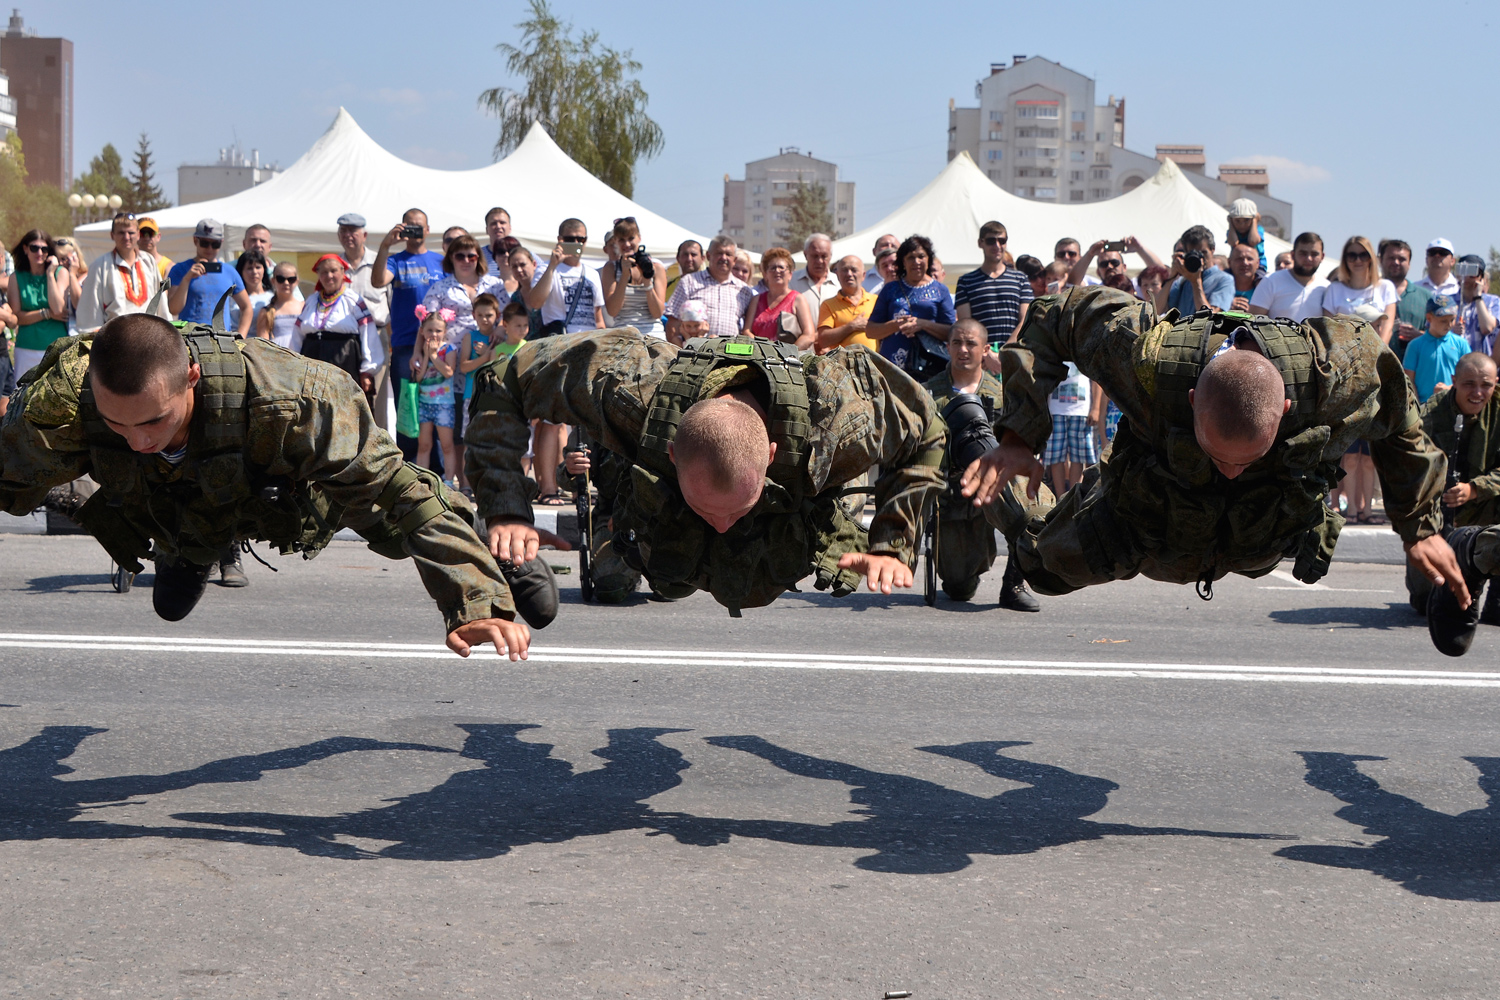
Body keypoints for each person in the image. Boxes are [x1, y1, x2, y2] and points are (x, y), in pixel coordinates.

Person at [957, 286, 1465, 657]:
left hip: (1259, 532)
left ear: (1288, 409)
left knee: (1269, 540)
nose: (1229, 471)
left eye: (1246, 458)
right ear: (1193, 401)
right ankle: (972, 440)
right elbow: (1058, 312)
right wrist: (1018, 435)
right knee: (1041, 567)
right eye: (1218, 454)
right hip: (1145, 521)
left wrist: (1418, 525)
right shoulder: (1147, 359)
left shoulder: (1334, 373)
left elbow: (1402, 419)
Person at [2, 312, 538, 658]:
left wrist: (475, 599)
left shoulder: (296, 399)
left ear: (191, 378)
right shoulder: (65, 401)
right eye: (119, 425)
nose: (138, 441)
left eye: (153, 422)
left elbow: (400, 490)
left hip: (289, 492)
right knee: (169, 605)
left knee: (397, 530)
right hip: (182, 506)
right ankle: (190, 551)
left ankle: (504, 549)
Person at [464, 328, 947, 616]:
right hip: (657, 477)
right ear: (672, 454)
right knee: (651, 577)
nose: (720, 524)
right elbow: (503, 376)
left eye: (735, 509)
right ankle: (630, 513)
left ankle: (819, 505)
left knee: (790, 538)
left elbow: (927, 427)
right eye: (707, 510)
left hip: (797, 491)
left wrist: (891, 540)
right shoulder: (628, 385)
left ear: (771, 453)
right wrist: (507, 509)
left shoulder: (838, 418)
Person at [923, 318, 1039, 611]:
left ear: (985, 349)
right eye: (957, 343)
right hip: (951, 493)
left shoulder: (1003, 396)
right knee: (960, 588)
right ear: (947, 347)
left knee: (1032, 506)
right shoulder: (926, 394)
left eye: (971, 343)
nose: (964, 350)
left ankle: (1013, 584)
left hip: (996, 485)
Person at [1406, 353, 1500, 623]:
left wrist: (1476, 488)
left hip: (1488, 505)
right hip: (1442, 510)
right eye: (1469, 384)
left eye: (1486, 385)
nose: (1478, 393)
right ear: (1454, 382)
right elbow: (1409, 461)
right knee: (1424, 603)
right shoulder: (1431, 413)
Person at [1323, 236, 1399, 523]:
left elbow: (1387, 329)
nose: (1357, 260)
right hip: (1344, 374)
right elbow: (1329, 331)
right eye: (1352, 254)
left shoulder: (1386, 287)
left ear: (1371, 258)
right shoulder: (1334, 289)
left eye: (1363, 254)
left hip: (1379, 372)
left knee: (1370, 454)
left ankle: (1366, 509)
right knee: (1346, 451)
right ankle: (1347, 509)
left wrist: (1373, 360)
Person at [423, 234, 508, 488]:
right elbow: (426, 322)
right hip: (453, 365)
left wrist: (498, 331)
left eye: (472, 255)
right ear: (451, 258)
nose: (466, 260)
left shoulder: (495, 284)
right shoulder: (441, 287)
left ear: (479, 258)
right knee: (459, 428)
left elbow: (509, 316)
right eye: (460, 255)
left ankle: (488, 477)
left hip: (489, 362)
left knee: (489, 422)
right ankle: (464, 481)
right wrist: (420, 352)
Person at [372, 208, 446, 460]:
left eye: (419, 226)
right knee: (408, 406)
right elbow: (378, 280)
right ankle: (410, 464)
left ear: (427, 230)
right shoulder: (396, 260)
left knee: (437, 405)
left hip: (440, 346)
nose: (415, 231)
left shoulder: (440, 261)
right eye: (409, 227)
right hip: (405, 345)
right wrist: (385, 246)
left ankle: (438, 465)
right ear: (402, 230)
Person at [868, 235, 955, 371]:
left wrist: (922, 324)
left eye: (921, 256)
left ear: (929, 259)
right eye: (910, 257)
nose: (916, 261)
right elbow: (870, 331)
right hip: (892, 366)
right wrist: (896, 324)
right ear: (903, 261)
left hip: (929, 366)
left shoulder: (940, 290)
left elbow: (951, 332)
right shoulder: (890, 289)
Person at [337, 212, 393, 419]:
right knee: (344, 399)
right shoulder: (335, 266)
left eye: (353, 231)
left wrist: (391, 345)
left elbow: (391, 307)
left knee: (376, 400)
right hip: (344, 342)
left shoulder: (381, 263)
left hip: (377, 337)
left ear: (365, 234)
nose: (348, 235)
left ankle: (381, 450)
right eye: (343, 231)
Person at [955, 221, 1034, 367]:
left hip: (1015, 358)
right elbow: (966, 325)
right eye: (991, 241)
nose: (997, 246)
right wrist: (987, 353)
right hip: (981, 361)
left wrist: (1004, 352)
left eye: (1002, 241)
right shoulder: (966, 281)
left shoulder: (1020, 279)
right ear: (981, 243)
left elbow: (1026, 320)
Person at [76, 213, 170, 333]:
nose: (126, 237)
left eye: (131, 233)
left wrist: (167, 329)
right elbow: (90, 310)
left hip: (148, 337)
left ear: (138, 235)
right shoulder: (100, 266)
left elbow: (160, 300)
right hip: (116, 338)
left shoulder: (148, 261)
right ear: (112, 235)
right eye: (121, 233)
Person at [295, 254, 378, 391]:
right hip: (312, 358)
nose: (329, 276)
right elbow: (297, 334)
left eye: (333, 271)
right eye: (324, 272)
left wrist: (367, 370)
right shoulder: (311, 301)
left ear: (342, 272)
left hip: (344, 358)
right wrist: (295, 362)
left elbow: (368, 333)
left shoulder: (353, 300)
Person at [166, 220, 253, 338]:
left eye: (215, 244)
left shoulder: (229, 271)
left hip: (221, 339)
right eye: (205, 243)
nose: (210, 248)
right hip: (189, 338)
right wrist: (187, 279)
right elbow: (174, 309)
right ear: (195, 240)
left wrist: (240, 338)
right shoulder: (180, 269)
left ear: (221, 243)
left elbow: (247, 307)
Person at [663, 235, 753, 344]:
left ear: (734, 260)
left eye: (728, 254)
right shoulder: (689, 282)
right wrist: (682, 352)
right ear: (708, 256)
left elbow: (748, 329)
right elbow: (672, 325)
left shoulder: (744, 290)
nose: (724, 258)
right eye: (719, 253)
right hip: (695, 355)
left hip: (730, 356)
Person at [521, 219, 603, 337]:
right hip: (560, 340)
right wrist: (552, 266)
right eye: (570, 239)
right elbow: (535, 302)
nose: (576, 243)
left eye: (581, 239)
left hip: (588, 341)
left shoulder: (593, 274)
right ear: (560, 240)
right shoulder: (546, 268)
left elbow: (598, 318)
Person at [7, 230, 71, 376]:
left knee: (54, 398)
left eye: (44, 249)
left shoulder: (60, 273)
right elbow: (18, 317)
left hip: (55, 347)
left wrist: (49, 274)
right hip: (26, 348)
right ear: (25, 249)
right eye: (34, 248)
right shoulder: (15, 277)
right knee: (23, 397)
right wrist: (46, 313)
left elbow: (58, 309)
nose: (39, 253)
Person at [412, 307, 459, 483]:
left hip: (444, 404)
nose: (434, 334)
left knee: (446, 444)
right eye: (430, 330)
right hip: (424, 402)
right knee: (424, 445)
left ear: (445, 331)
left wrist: (433, 356)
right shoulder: (421, 350)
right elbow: (418, 377)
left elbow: (448, 372)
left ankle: (448, 480)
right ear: (422, 331)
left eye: (438, 330)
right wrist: (426, 356)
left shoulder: (449, 349)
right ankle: (421, 480)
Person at [600, 217, 666, 338]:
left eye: (631, 238)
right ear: (615, 241)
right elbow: (612, 311)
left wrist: (647, 281)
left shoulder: (656, 267)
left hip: (653, 334)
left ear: (639, 238)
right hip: (623, 334)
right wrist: (624, 276)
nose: (627, 244)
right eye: (621, 240)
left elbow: (657, 313)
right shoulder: (611, 268)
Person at [1403, 294, 1468, 404]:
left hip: (1453, 404)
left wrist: (1450, 388)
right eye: (1443, 321)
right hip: (1424, 405)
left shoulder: (1461, 344)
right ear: (1429, 318)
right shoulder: (1415, 345)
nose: (1449, 325)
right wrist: (1417, 407)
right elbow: (1409, 380)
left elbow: (1468, 376)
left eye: (1452, 320)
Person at [1249, 232, 1328, 322]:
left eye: (1314, 254)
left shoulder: (1326, 287)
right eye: (1303, 253)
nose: (1308, 258)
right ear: (1293, 255)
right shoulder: (1271, 281)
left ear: (1322, 256)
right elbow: (1253, 321)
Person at [744, 247, 814, 347]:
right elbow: (747, 331)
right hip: (760, 358)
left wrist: (788, 354)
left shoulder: (798, 299)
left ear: (790, 274)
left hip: (787, 359)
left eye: (781, 267)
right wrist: (760, 349)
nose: (777, 271)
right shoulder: (756, 300)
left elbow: (809, 335)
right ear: (765, 274)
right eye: (772, 268)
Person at [1159, 225, 1234, 316]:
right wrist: (1171, 277)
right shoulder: (1181, 281)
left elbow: (1211, 317)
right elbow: (1158, 310)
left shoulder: (1224, 280)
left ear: (1212, 250)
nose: (1200, 258)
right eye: (1193, 254)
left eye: (1203, 253)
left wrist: (1196, 282)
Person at [1379, 239, 1431, 365]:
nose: (1396, 262)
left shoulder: (1425, 297)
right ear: (1380, 260)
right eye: (1391, 258)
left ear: (1409, 263)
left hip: (1413, 372)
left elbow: (1438, 337)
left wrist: (1420, 335)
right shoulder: (1369, 292)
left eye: (1402, 259)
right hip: (1376, 369)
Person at [815, 256, 877, 353]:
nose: (849, 274)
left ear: (863, 275)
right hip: (842, 366)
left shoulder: (876, 300)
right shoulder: (828, 305)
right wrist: (852, 326)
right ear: (837, 275)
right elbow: (823, 340)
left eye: (854, 270)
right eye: (844, 270)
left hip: (874, 365)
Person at [459, 293, 504, 423]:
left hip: (494, 397)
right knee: (470, 437)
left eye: (489, 315)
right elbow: (463, 367)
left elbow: (501, 370)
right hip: (472, 395)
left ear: (498, 315)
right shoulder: (469, 337)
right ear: (474, 315)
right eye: (480, 315)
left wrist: (489, 354)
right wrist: (484, 357)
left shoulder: (501, 340)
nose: (484, 319)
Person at [1068, 236, 1164, 292]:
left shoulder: (1137, 286)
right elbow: (1072, 282)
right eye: (1104, 264)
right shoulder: (1094, 288)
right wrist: (1090, 254)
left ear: (1124, 267)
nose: (1109, 267)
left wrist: (1140, 249)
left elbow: (1162, 273)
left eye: (1114, 262)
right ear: (1098, 272)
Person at [1454, 255, 1498, 355]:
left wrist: (1478, 297)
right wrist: (1451, 331)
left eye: (1472, 272)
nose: (1467, 277)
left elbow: (1487, 328)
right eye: (1463, 271)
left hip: (1480, 362)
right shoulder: (1447, 300)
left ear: (1481, 277)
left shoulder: (1492, 301)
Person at [257, 261, 303, 349]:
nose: (286, 283)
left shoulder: (304, 307)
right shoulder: (266, 311)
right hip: (277, 357)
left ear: (297, 281)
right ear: (273, 281)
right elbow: (262, 346)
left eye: (291, 279)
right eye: (281, 279)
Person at [227, 249, 273, 336]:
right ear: (241, 271)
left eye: (258, 267)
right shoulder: (232, 298)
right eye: (249, 268)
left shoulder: (272, 298)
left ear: (264, 269)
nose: (254, 272)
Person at [791, 234, 839, 314]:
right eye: (815, 256)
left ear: (830, 256)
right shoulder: (792, 282)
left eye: (824, 256)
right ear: (805, 255)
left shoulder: (839, 282)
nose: (819, 261)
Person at [479, 207, 518, 295]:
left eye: (502, 222)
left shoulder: (524, 254)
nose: (498, 226)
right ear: (487, 230)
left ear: (510, 227)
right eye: (493, 223)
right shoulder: (477, 255)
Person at [1225, 198, 1267, 275]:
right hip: (1236, 265)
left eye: (1246, 220)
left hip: (1258, 265)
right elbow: (1233, 242)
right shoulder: (1231, 232)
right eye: (1237, 221)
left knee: (1260, 281)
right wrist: (1231, 224)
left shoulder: (1258, 230)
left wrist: (1254, 221)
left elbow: (1253, 241)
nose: (1242, 225)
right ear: (1231, 220)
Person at [1227, 244, 1261, 313]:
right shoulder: (1216, 286)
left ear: (1258, 263)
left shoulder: (1266, 289)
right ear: (1229, 262)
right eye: (1239, 259)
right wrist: (1225, 304)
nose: (1245, 263)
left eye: (1249, 259)